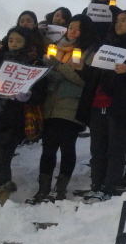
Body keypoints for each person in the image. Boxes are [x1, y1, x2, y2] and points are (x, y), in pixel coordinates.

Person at [76, 10, 126, 200]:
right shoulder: (105, 46)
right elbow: (96, 76)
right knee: (98, 149)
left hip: (122, 106)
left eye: (124, 20)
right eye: (117, 21)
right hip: (98, 103)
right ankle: (96, 183)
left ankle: (109, 187)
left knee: (116, 149)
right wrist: (83, 70)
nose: (119, 24)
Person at [0, 25, 45, 206]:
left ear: (28, 43)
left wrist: (29, 96)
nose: (14, 44)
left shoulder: (34, 64)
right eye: (11, 40)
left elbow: (41, 93)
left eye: (19, 41)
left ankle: (0, 197)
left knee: (1, 159)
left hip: (12, 118)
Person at [30, 15, 92, 203]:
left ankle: (61, 188)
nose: (72, 31)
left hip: (71, 106)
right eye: (70, 26)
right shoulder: (55, 48)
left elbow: (83, 79)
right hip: (51, 104)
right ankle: (43, 188)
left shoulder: (88, 51)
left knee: (67, 147)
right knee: (48, 148)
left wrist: (58, 66)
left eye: (77, 28)